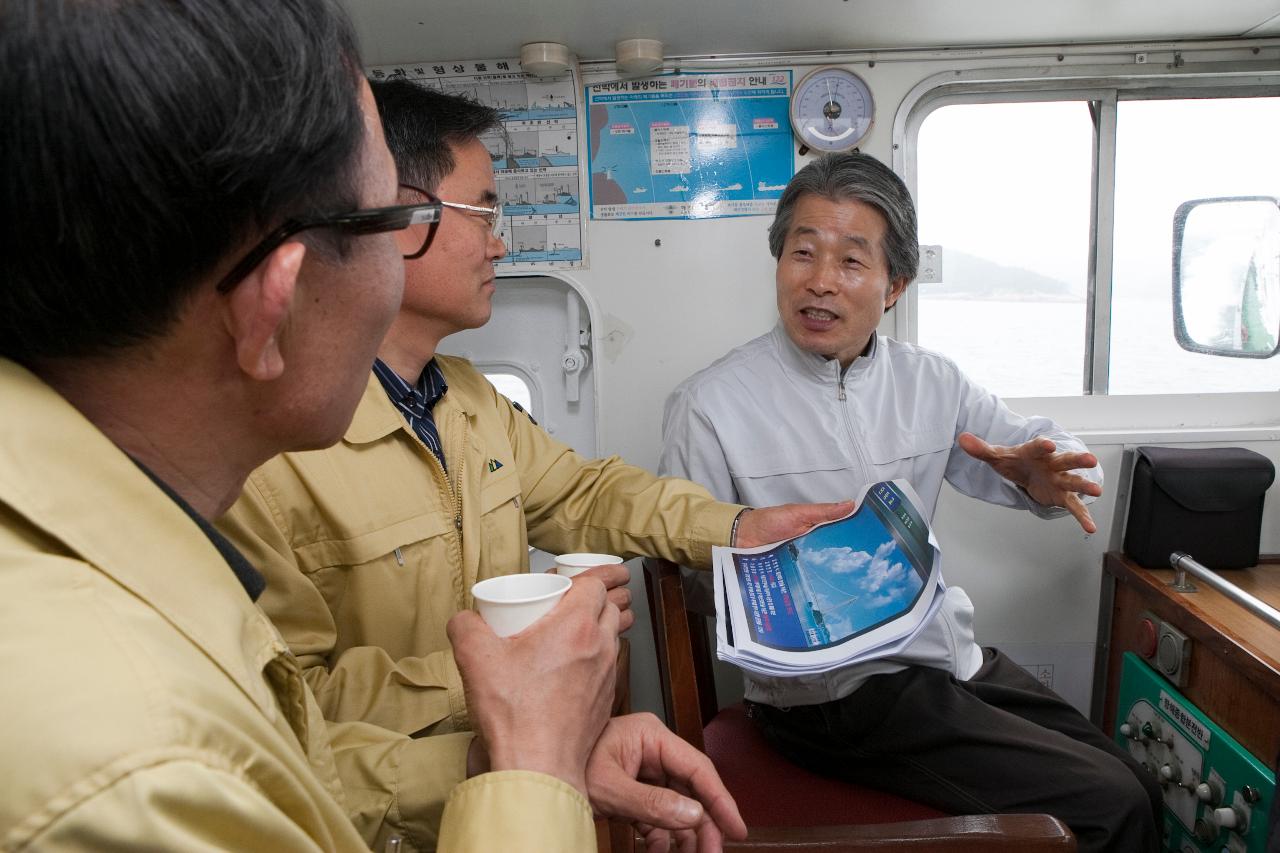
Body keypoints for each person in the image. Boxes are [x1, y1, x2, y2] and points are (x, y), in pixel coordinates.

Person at [0, 2, 745, 850]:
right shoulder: (129, 768)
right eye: (377, 226)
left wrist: (520, 759)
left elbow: (295, 761)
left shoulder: (152, 514)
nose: (502, 246)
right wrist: (530, 739)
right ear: (274, 292)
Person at [215, 75, 847, 783]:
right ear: (398, 218)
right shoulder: (265, 451)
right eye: (482, 215)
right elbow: (283, 709)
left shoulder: (469, 400)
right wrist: (509, 672)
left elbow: (588, 494)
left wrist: (737, 528)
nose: (500, 244)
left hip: (515, 774)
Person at [659, 152, 1164, 853]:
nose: (821, 282)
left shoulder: (931, 381)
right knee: (1114, 808)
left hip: (948, 659)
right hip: (830, 700)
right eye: (803, 253)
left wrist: (1039, 475)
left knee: (1139, 780)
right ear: (778, 261)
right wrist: (804, 594)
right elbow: (688, 575)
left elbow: (1040, 454)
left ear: (893, 284)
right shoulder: (711, 404)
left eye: (851, 261)